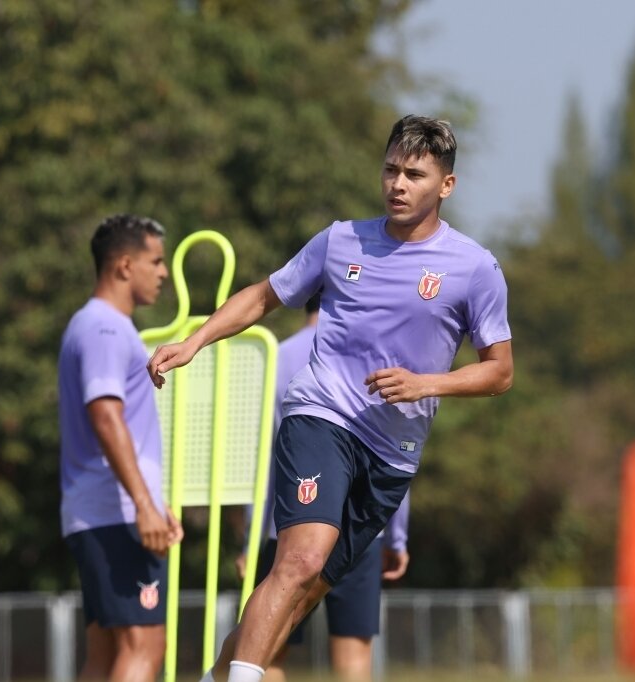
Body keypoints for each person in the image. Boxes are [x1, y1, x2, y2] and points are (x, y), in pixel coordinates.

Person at [147, 115, 513, 682]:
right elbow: (264, 296)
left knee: (305, 590)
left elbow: (500, 373)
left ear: (446, 185)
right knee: (299, 559)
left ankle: (217, 675)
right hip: (322, 416)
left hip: (392, 456)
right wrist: (195, 340)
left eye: (414, 174)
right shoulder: (341, 239)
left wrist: (428, 383)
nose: (397, 184)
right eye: (390, 170)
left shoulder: (475, 268)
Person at [240, 294, 412, 682]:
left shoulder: (276, 357)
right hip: (360, 526)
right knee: (353, 654)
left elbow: (260, 454)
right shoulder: (379, 354)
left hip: (284, 525)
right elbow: (396, 448)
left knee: (269, 650)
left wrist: (251, 537)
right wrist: (396, 536)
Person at [58, 213, 185, 681]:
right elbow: (107, 417)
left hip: (99, 512)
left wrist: (152, 502)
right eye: (156, 261)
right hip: (116, 515)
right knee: (144, 645)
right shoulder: (105, 329)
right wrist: (144, 506)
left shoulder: (94, 325)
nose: (164, 272)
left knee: (106, 654)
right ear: (125, 266)